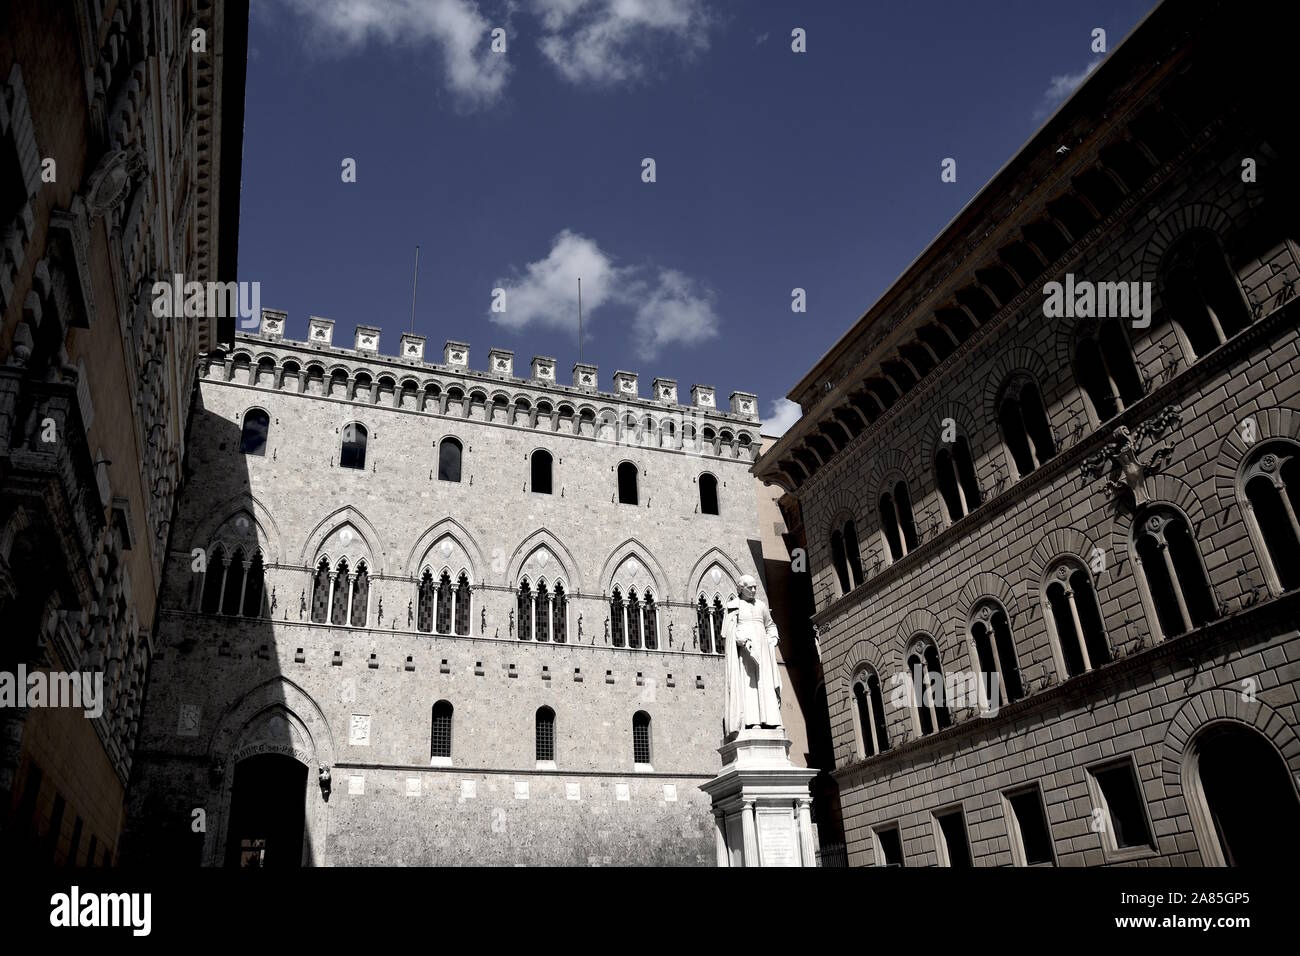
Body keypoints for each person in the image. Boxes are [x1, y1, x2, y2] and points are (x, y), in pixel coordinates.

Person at [721, 574, 782, 737]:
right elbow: (729, 631)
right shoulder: (734, 606)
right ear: (741, 589)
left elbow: (770, 625)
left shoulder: (761, 606)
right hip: (746, 654)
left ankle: (772, 721)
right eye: (750, 587)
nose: (754, 590)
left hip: (763, 652)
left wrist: (773, 637)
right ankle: (752, 721)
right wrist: (742, 640)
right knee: (750, 687)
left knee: (766, 684)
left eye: (755, 587)